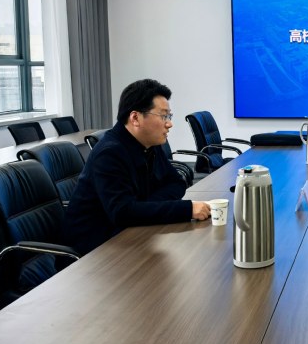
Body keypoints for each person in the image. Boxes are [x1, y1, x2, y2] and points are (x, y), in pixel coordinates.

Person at [64, 79, 211, 255]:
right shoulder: (109, 153)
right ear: (135, 118)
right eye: (163, 116)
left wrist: (142, 207)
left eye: (169, 116)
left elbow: (177, 183)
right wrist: (187, 209)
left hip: (130, 235)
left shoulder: (149, 144)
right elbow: (122, 213)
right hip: (94, 251)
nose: (169, 123)